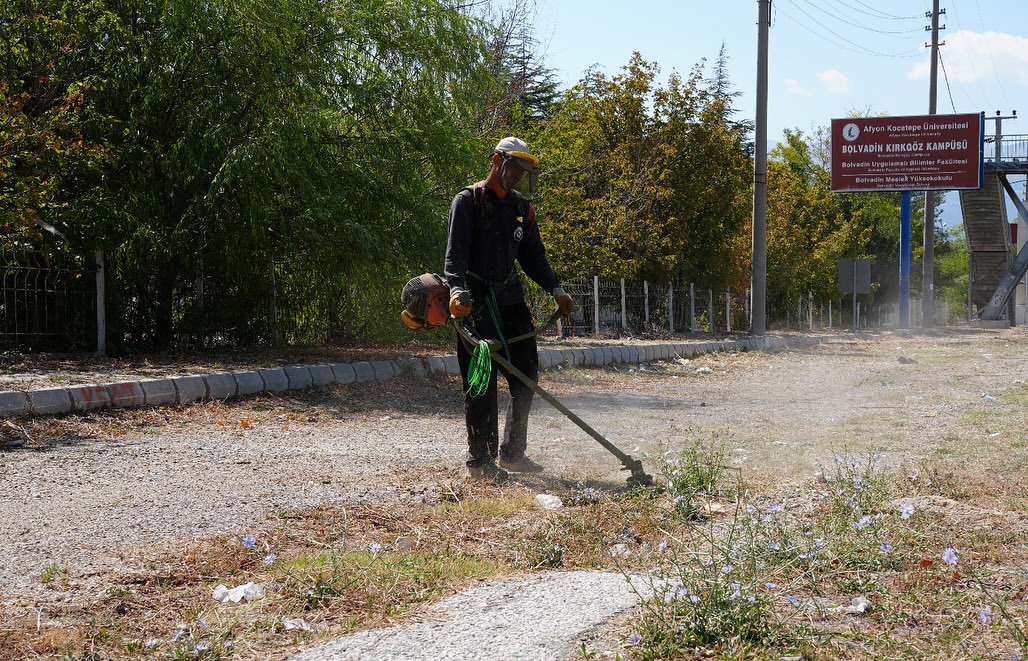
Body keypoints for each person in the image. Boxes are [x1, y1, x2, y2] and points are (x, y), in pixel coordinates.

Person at [444, 137, 575, 481]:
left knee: (526, 375)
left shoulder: (521, 209)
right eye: (514, 168)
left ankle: (513, 454)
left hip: (511, 301)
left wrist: (556, 288)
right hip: (474, 303)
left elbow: (534, 258)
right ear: (496, 161)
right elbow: (454, 255)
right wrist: (457, 291)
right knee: (481, 381)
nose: (518, 176)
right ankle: (481, 462)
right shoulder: (468, 201)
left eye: (523, 172)